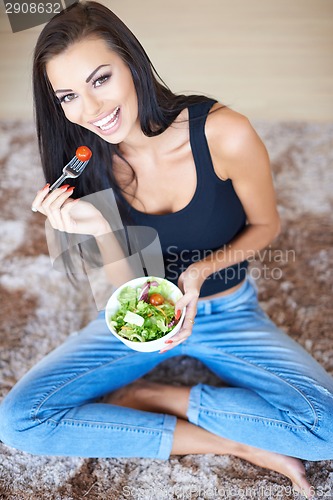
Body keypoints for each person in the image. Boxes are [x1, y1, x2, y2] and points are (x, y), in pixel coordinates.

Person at [0, 2, 332, 497]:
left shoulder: (224, 133)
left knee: (323, 428)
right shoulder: (83, 160)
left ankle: (152, 395)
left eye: (100, 80)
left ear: (131, 64)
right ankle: (237, 444)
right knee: (21, 421)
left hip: (225, 311)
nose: (89, 111)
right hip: (141, 318)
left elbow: (267, 224)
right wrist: (97, 228)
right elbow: (128, 292)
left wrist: (198, 274)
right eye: (68, 95)